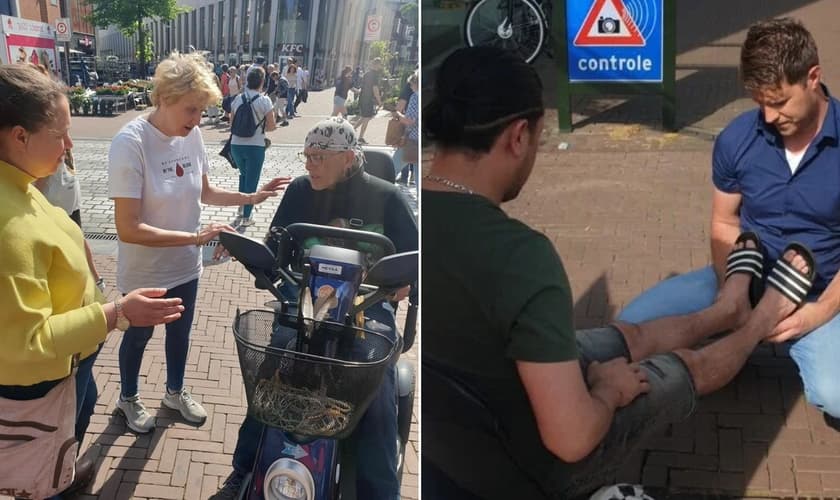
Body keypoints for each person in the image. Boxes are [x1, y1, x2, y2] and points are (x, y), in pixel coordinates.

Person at [421, 46, 820, 499]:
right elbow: (571, 440)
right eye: (539, 139)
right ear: (517, 137)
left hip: (466, 439)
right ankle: (758, 323)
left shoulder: (412, 225)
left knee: (625, 337)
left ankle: (727, 309)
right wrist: (606, 392)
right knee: (676, 368)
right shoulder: (518, 256)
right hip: (530, 468)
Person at [616, 18, 840, 426]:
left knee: (836, 394)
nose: (769, 116)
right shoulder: (737, 138)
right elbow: (724, 222)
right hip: (744, 273)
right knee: (628, 329)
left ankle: (753, 327)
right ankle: (736, 315)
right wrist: (729, 289)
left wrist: (820, 312)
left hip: (819, 288)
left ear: (813, 77)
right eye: (759, 103)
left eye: (779, 102)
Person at [0, 63, 185, 497]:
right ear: (19, 136)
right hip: (42, 380)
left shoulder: (23, 183)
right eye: (61, 133)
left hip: (72, 362)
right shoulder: (7, 227)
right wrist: (117, 313)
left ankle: (65, 469)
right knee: (40, 467)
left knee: (83, 409)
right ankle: (55, 483)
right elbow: (26, 342)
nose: (69, 145)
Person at [211, 116, 418, 500]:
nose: (309, 165)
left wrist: (406, 281)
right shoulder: (300, 192)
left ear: (349, 157)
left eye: (319, 156)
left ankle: (381, 493)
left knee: (376, 392)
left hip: (367, 308)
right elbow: (275, 247)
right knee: (271, 375)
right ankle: (242, 472)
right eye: (307, 156)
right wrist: (246, 248)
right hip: (302, 302)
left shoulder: (388, 197)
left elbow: (415, 260)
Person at [108, 52, 291, 435]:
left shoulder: (190, 137)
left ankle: (174, 392)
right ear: (165, 97)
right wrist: (195, 237)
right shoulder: (131, 142)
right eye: (191, 109)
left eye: (201, 110)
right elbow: (128, 228)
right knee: (138, 335)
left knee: (181, 333)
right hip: (145, 271)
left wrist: (251, 197)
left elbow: (205, 191)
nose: (197, 120)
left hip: (186, 267)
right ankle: (127, 398)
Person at [34, 148, 104, 291]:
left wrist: (34, 199)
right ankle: (96, 279)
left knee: (56, 239)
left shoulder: (46, 140)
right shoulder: (63, 140)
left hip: (55, 199)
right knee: (78, 236)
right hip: (70, 195)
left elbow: (42, 177)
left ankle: (74, 280)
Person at [230, 66, 277, 227]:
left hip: (236, 145)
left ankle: (241, 207)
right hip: (255, 146)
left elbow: (231, 123)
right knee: (251, 181)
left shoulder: (238, 99)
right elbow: (271, 126)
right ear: (262, 82)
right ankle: (246, 217)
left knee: (243, 176)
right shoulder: (265, 101)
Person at [393, 72, 419, 186]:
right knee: (419, 178)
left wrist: (398, 114)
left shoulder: (415, 97)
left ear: (415, 84)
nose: (410, 87)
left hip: (412, 140)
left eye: (411, 84)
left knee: (391, 168)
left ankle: (380, 196)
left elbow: (410, 121)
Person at [352, 58, 383, 145]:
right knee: (366, 118)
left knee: (363, 117)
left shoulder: (367, 74)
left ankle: (352, 129)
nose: (380, 66)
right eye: (380, 64)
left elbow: (363, 86)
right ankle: (360, 138)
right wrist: (379, 101)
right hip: (368, 99)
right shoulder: (375, 75)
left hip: (363, 98)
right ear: (377, 64)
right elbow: (375, 88)